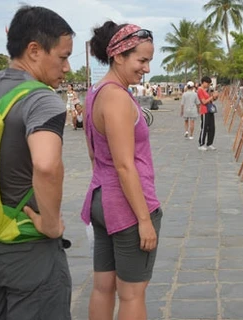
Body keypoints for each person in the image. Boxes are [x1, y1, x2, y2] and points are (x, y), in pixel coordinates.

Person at [0, 5, 74, 319]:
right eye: (63, 56)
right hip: (27, 249)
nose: (66, 68)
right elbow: (46, 164)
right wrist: (51, 224)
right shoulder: (42, 98)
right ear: (35, 50)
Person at [82, 21, 162, 320]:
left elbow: (93, 152)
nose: (146, 68)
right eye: (142, 60)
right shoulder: (116, 96)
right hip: (128, 206)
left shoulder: (95, 92)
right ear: (118, 55)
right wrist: (144, 219)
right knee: (132, 294)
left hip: (101, 199)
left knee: (104, 286)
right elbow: (124, 164)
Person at [197, 76, 219, 151]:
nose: (208, 85)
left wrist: (214, 97)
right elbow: (204, 102)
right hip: (204, 111)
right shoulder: (200, 90)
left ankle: (210, 143)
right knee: (204, 127)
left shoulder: (206, 90)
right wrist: (212, 96)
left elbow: (209, 100)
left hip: (210, 110)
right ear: (204, 82)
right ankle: (201, 143)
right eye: (208, 83)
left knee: (212, 127)